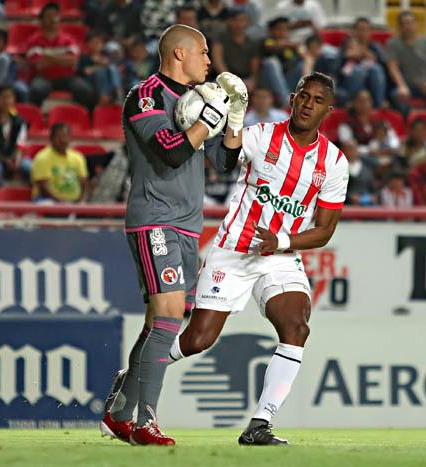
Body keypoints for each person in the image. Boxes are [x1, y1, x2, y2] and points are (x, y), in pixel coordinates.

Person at [168, 72, 348, 446]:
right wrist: (228, 120)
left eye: (317, 100)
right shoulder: (262, 136)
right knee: (198, 340)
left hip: (278, 254)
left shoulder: (333, 162)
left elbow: (325, 230)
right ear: (293, 98)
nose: (308, 105)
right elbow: (226, 158)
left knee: (296, 327)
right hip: (234, 249)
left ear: (327, 111)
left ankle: (259, 424)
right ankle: (133, 374)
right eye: (303, 96)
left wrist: (282, 240)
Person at [100, 24, 244, 446]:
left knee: (162, 321)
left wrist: (233, 118)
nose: (209, 61)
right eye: (203, 52)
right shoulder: (145, 95)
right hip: (153, 217)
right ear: (179, 54)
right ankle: (145, 423)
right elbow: (170, 149)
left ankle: (121, 407)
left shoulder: (201, 100)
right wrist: (208, 120)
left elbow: (224, 162)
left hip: (188, 223)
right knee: (167, 316)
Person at [27, 3, 95, 109]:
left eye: (55, 15)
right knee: (36, 90)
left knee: (86, 90)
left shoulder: (69, 40)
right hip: (44, 77)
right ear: (42, 20)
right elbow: (39, 65)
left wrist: (47, 55)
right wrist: (62, 59)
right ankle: (33, 121)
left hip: (68, 77)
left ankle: (87, 120)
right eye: (49, 16)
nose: (53, 19)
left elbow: (73, 62)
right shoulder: (34, 40)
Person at [387, 11, 426, 116]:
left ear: (416, 24)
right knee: (395, 96)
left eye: (410, 23)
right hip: (406, 86)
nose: (408, 27)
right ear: (399, 26)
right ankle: (407, 126)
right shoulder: (393, 44)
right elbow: (393, 67)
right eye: (404, 24)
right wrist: (402, 86)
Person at [0, 85, 32, 187]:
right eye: (3, 97)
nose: (6, 101)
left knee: (30, 166)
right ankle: (1, 193)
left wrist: (14, 159)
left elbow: (20, 144)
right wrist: (3, 159)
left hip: (12, 156)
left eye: (9, 97)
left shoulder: (20, 121)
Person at [337, 17, 388, 108]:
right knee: (359, 71)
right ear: (354, 31)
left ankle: (379, 104)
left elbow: (381, 64)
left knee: (376, 69)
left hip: (369, 82)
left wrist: (364, 55)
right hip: (348, 79)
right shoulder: (347, 44)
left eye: (366, 30)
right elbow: (342, 70)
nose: (363, 32)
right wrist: (357, 55)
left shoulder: (375, 47)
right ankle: (351, 104)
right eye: (360, 29)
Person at [31, 123, 88, 202]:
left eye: (66, 136)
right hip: (46, 200)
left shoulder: (78, 157)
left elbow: (83, 183)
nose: (63, 140)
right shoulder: (42, 157)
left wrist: (79, 201)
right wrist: (63, 203)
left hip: (74, 202)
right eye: (59, 137)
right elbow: (43, 188)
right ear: (51, 139)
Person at [211, 8, 261, 93]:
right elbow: (218, 62)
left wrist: (252, 81)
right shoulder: (221, 38)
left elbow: (254, 68)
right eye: (235, 20)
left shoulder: (252, 42)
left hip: (245, 78)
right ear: (229, 22)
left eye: (242, 20)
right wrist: (230, 81)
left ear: (247, 22)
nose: (239, 24)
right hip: (225, 78)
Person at [260, 17, 304, 104]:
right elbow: (271, 47)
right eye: (279, 29)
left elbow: (303, 55)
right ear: (271, 31)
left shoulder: (291, 46)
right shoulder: (267, 41)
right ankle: (286, 100)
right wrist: (290, 44)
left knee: (302, 65)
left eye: (286, 29)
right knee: (271, 62)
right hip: (268, 82)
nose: (283, 32)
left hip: (286, 79)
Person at [78, 31, 122, 105]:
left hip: (108, 83)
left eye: (99, 42)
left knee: (112, 68)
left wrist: (107, 64)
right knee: (100, 71)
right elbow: (86, 72)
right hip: (90, 82)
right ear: (87, 44)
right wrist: (99, 66)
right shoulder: (84, 58)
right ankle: (103, 97)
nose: (97, 45)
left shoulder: (105, 57)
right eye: (94, 42)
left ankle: (118, 92)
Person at [0, 29, 29, 103]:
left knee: (22, 89)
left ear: (5, 44)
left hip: (10, 83)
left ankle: (22, 111)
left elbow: (13, 74)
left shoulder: (11, 58)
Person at [344, 139, 377, 206]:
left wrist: (373, 197)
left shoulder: (367, 168)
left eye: (352, 149)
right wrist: (350, 197)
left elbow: (372, 188)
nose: (350, 152)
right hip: (347, 206)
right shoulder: (340, 168)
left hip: (367, 205)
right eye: (347, 149)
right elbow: (338, 190)